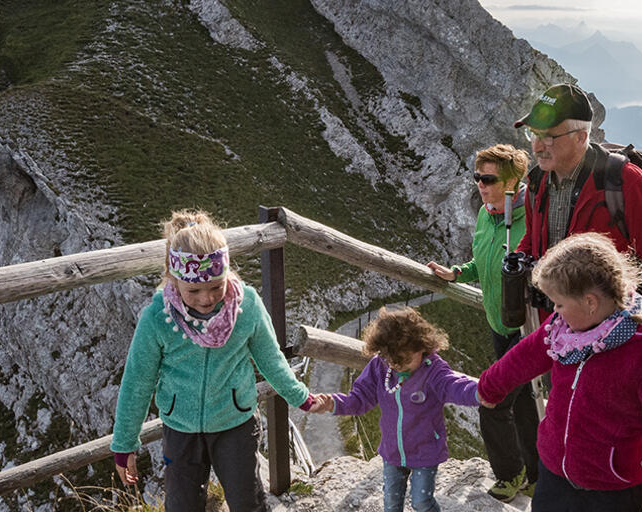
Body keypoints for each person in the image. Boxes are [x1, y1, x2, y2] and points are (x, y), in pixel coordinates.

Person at [110, 210, 318, 512]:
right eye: (194, 290)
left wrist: (300, 396)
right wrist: (125, 443)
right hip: (180, 430)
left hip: (235, 425)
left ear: (228, 272)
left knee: (247, 500)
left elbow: (271, 360)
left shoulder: (246, 306)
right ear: (173, 278)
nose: (206, 298)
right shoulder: (157, 317)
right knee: (182, 506)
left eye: (216, 286)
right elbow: (137, 382)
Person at [477, 233, 642, 512]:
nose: (555, 311)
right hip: (554, 474)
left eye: (559, 303)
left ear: (590, 302)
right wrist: (490, 386)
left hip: (612, 492)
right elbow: (528, 353)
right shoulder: (565, 329)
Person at [512, 83, 642, 326]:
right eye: (534, 134)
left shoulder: (625, 182)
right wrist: (519, 258)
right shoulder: (536, 183)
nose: (538, 146)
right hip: (555, 330)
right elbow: (533, 238)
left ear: (581, 137)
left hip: (612, 334)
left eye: (549, 136)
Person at [426, 144, 539, 501]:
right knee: (521, 404)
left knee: (493, 400)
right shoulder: (486, 215)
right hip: (498, 323)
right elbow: (485, 264)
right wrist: (457, 272)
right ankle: (535, 475)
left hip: (525, 329)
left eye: (488, 179)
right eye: (477, 177)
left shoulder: (531, 219)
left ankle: (510, 473)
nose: (480, 184)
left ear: (513, 182)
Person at [306, 307, 479, 512]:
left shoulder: (433, 370)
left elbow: (455, 386)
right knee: (390, 504)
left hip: (425, 452)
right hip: (392, 451)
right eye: (390, 359)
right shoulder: (380, 366)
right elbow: (360, 399)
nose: (396, 366)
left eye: (404, 360)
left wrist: (482, 392)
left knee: (421, 502)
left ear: (421, 346)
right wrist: (331, 402)